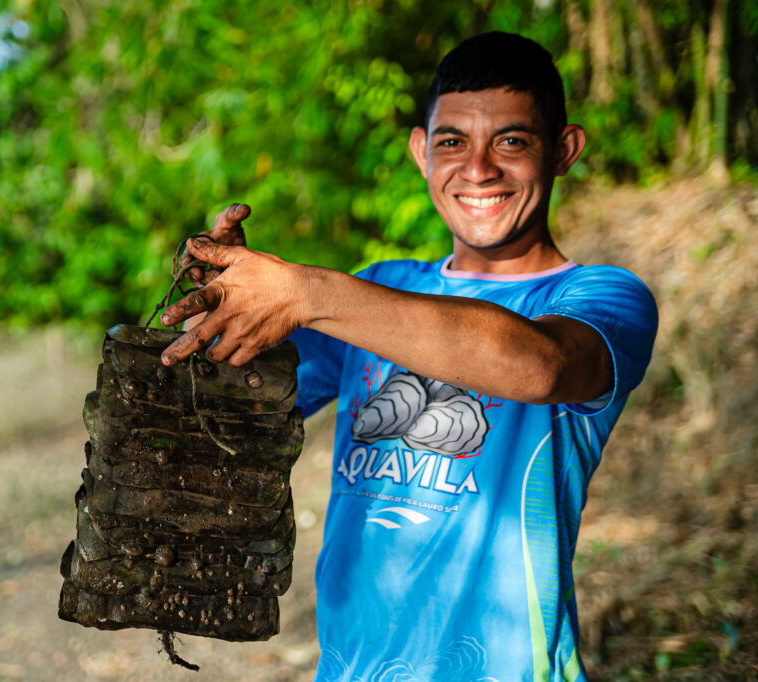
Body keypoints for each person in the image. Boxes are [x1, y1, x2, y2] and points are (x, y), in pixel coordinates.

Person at [158, 32, 658, 681]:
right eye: (452, 142)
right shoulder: (383, 285)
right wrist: (222, 304)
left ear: (563, 151)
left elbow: (542, 367)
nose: (478, 169)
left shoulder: (600, 296)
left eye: (511, 141)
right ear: (422, 152)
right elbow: (235, 410)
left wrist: (307, 290)